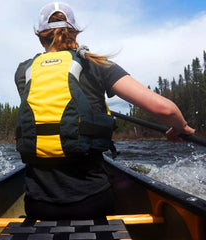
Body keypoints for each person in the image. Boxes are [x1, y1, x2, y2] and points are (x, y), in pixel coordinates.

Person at [15, 2, 195, 220]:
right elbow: (165, 109)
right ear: (74, 32)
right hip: (92, 201)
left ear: (40, 36)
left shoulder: (23, 72)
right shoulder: (96, 64)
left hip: (37, 205)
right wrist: (180, 126)